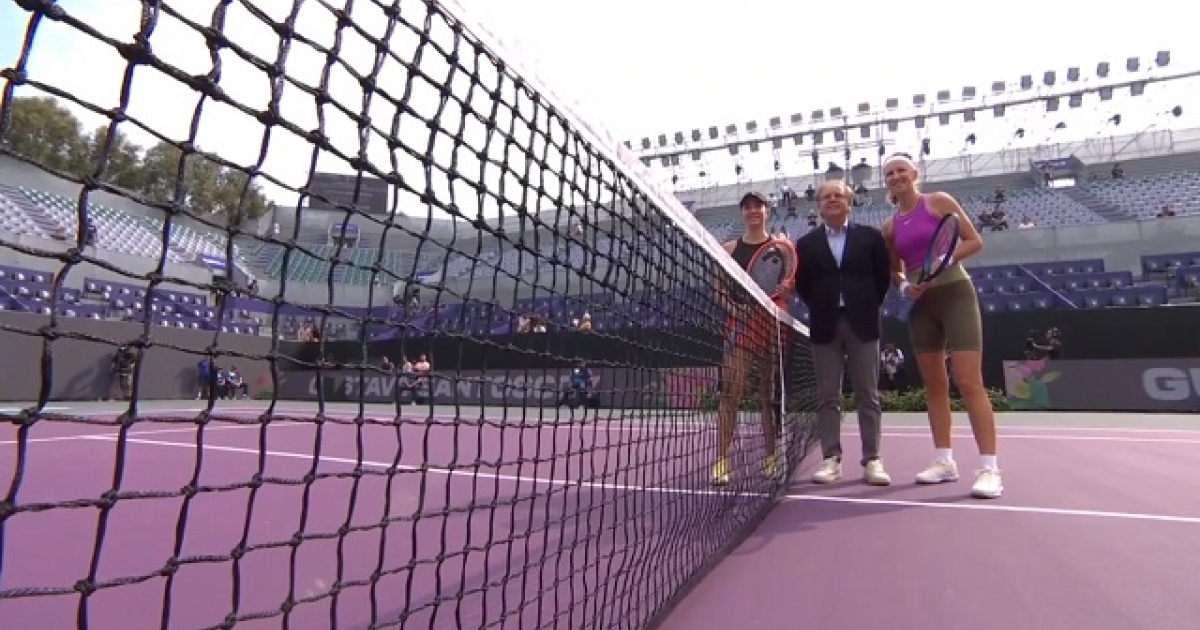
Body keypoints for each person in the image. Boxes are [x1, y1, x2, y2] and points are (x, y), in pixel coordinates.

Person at [880, 152, 1002, 499]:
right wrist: (905, 286)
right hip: (920, 305)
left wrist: (941, 262)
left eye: (901, 170)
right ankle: (945, 461)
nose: (896, 176)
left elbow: (975, 241)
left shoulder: (939, 202)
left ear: (914, 173)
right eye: (889, 173)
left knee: (968, 380)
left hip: (955, 293)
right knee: (934, 385)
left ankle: (990, 469)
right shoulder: (889, 227)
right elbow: (895, 270)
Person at [794, 180, 893, 486]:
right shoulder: (806, 244)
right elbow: (804, 286)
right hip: (824, 325)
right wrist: (825, 306)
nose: (833, 200)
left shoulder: (871, 237)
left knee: (868, 394)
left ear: (850, 203)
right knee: (828, 396)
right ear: (819, 206)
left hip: (862, 322)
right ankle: (831, 459)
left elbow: (882, 280)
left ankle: (872, 459)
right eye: (827, 197)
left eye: (839, 195)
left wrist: (862, 304)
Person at [710, 191, 795, 486]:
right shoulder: (729, 249)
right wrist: (736, 310)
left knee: (768, 396)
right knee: (730, 394)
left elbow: (789, 290)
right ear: (742, 213)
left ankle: (771, 457)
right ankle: (721, 461)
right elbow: (718, 291)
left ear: (767, 211)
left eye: (758, 206)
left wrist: (787, 293)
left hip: (771, 325)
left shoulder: (783, 249)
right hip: (740, 326)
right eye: (747, 207)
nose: (752, 211)